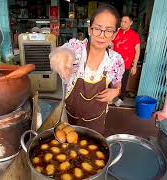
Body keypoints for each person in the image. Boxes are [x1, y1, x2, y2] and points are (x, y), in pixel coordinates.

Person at [50, 5, 125, 135]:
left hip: (97, 121)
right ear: (90, 29)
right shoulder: (77, 49)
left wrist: (116, 91)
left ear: (115, 34)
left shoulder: (116, 61)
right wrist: (59, 58)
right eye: (97, 29)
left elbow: (117, 83)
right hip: (69, 120)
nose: (102, 35)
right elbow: (61, 53)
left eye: (108, 30)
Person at [112, 14, 141, 106]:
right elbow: (111, 41)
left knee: (123, 81)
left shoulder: (134, 35)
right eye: (121, 21)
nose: (122, 23)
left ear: (131, 23)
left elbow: (137, 51)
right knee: (112, 79)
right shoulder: (117, 32)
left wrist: (135, 66)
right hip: (114, 62)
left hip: (126, 63)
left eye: (125, 22)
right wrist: (116, 31)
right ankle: (111, 96)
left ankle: (121, 98)